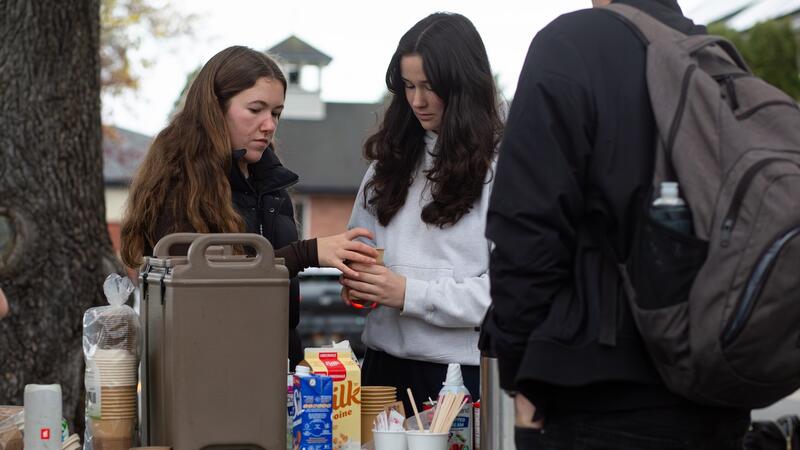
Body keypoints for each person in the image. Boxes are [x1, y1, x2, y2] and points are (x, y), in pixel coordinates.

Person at [482, 0, 751, 448]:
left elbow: (526, 230)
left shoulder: (571, 45)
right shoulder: (714, 56)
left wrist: (520, 370)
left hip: (600, 396)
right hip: (718, 395)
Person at [120, 46, 377, 366]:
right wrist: (307, 253)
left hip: (278, 368)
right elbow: (203, 290)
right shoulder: (179, 186)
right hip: (211, 374)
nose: (269, 125)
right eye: (256, 109)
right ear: (215, 108)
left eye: (276, 113)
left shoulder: (271, 183)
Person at [340, 12, 503, 414]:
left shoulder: (503, 167)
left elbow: (507, 292)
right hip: (380, 368)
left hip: (460, 375)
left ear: (464, 84)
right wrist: (357, 283)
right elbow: (359, 250)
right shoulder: (387, 164)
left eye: (430, 87)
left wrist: (409, 293)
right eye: (409, 86)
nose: (417, 101)